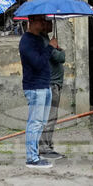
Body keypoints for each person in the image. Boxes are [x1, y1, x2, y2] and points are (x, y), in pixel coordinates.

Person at [20, 14, 54, 169]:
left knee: (41, 123)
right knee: (34, 123)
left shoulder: (39, 39)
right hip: (35, 87)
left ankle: (35, 154)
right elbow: (38, 63)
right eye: (40, 20)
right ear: (31, 22)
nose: (43, 23)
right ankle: (31, 158)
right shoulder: (26, 41)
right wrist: (51, 48)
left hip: (45, 85)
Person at [39, 20, 66, 160]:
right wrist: (60, 51)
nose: (50, 24)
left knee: (51, 116)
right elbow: (59, 58)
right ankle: (44, 147)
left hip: (53, 83)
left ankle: (48, 145)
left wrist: (56, 47)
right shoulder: (44, 41)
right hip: (52, 84)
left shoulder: (46, 40)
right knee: (49, 116)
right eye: (48, 22)